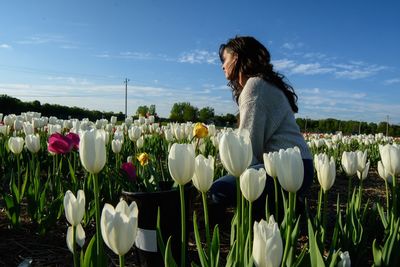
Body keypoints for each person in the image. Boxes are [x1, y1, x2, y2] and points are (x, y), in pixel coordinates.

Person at [209, 36, 314, 222]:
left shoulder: (255, 86)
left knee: (218, 190)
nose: (222, 66)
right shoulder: (264, 83)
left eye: (224, 59)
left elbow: (248, 147)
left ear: (237, 57)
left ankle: (221, 230)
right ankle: (280, 209)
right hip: (299, 167)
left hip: (284, 170)